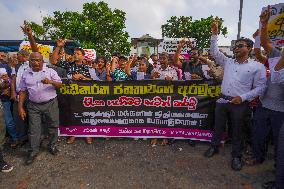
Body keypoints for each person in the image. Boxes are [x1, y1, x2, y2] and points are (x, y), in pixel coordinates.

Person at [203, 17, 267, 171]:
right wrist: (214, 34)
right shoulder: (228, 62)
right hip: (222, 101)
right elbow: (214, 52)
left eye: (240, 46)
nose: (236, 48)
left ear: (249, 48)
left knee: (237, 131)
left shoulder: (257, 67)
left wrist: (243, 98)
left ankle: (236, 156)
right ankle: (214, 146)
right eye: (235, 46)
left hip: (240, 104)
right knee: (218, 126)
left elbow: (261, 87)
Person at [18, 52, 63, 165]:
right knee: (34, 129)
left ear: (42, 61)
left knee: (53, 125)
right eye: (33, 60)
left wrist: (50, 81)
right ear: (29, 62)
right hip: (33, 105)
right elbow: (23, 91)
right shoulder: (25, 74)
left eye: (38, 60)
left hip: (50, 103)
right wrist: (20, 107)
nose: (35, 62)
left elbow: (60, 85)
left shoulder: (50, 71)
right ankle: (33, 151)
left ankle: (52, 145)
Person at [52, 39, 93, 144]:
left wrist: (82, 77)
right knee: (72, 114)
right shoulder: (69, 65)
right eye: (75, 53)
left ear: (83, 56)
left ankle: (87, 134)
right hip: (70, 95)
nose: (76, 55)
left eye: (78, 53)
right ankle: (73, 134)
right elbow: (54, 61)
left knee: (85, 114)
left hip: (83, 96)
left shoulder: (88, 68)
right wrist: (58, 46)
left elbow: (93, 81)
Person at [150, 52, 178, 146]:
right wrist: (153, 77)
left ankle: (165, 136)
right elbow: (149, 82)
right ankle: (155, 136)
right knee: (155, 116)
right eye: (160, 59)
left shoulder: (173, 70)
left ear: (168, 60)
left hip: (167, 98)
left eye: (163, 58)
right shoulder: (155, 69)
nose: (161, 60)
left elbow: (177, 84)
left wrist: (171, 80)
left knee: (166, 116)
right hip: (156, 97)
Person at [0, 68, 18, 148]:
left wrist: (8, 86)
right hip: (3, 100)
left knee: (8, 121)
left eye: (5, 75)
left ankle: (15, 138)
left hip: (5, 102)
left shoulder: (8, 79)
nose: (4, 76)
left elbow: (9, 85)